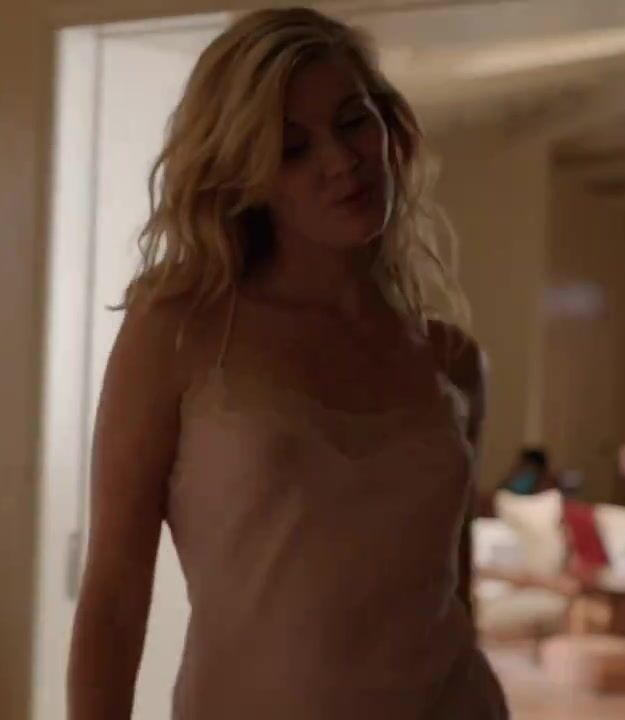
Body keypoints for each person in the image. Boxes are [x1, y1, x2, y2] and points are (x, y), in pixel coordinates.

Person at [67, 8, 508, 720]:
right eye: (293, 147)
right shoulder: (181, 333)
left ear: (389, 125)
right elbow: (115, 592)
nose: (340, 161)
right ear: (247, 173)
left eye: (353, 121)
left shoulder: (452, 361)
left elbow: (451, 590)